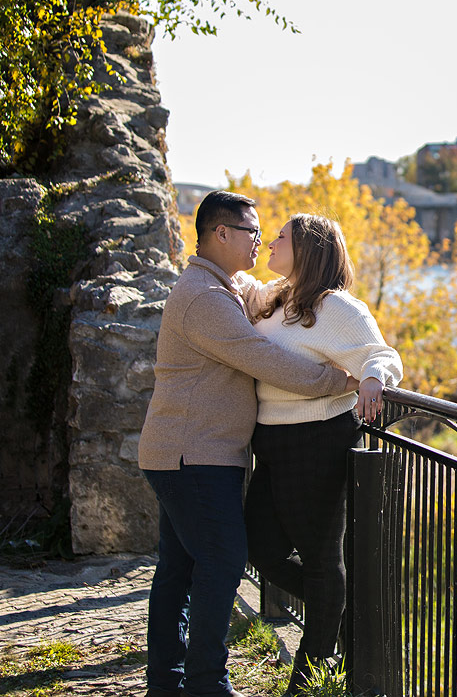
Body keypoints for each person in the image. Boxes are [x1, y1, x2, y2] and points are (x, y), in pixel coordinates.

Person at [139, 191, 358, 697]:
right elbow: (264, 357)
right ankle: (206, 683)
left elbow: (272, 299)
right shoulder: (204, 298)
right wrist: (337, 381)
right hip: (193, 455)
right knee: (222, 562)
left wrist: (310, 293)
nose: (260, 240)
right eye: (252, 232)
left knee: (178, 569)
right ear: (221, 234)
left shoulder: (229, 285)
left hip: (190, 452)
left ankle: (168, 681)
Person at [241, 213, 403, 695]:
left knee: (320, 558)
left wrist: (373, 377)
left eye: (281, 238)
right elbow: (241, 293)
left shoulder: (337, 308)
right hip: (269, 442)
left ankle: (309, 676)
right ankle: (338, 609)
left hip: (318, 442)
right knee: (260, 549)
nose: (269, 242)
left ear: (308, 250)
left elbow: (383, 354)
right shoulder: (277, 298)